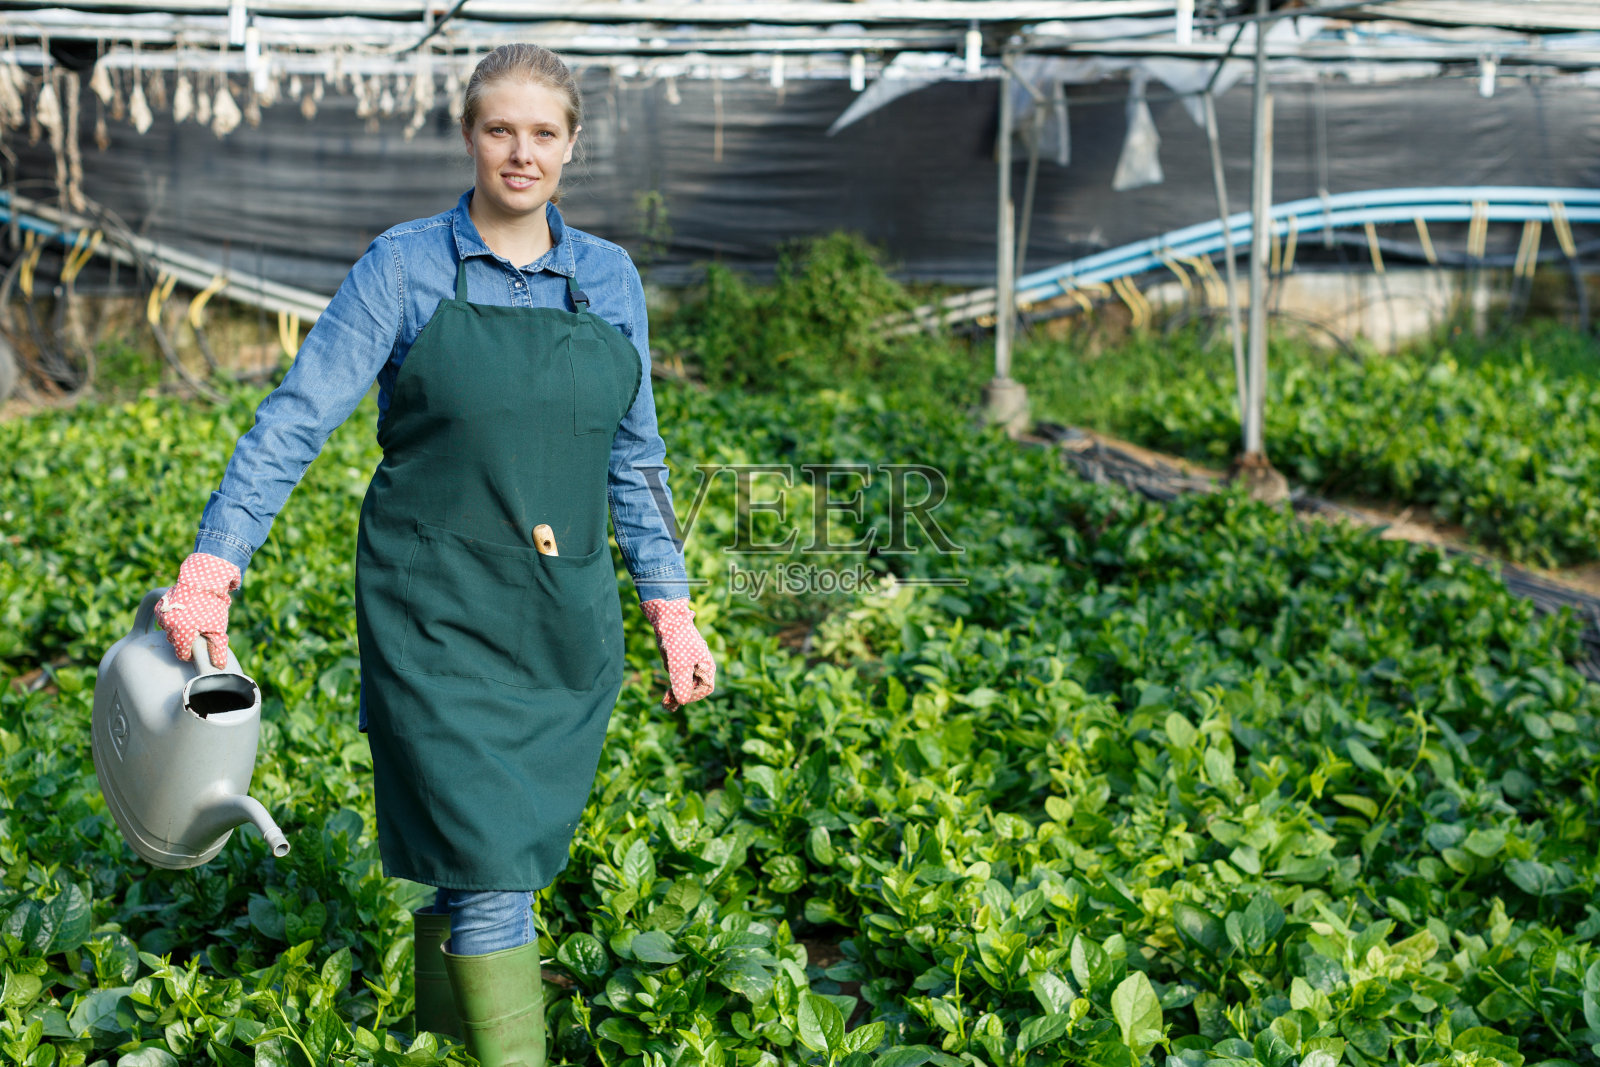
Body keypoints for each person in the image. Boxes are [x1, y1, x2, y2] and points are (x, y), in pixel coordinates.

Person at [150, 43, 716, 1067]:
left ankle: (444, 1046)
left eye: (542, 133)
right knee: (493, 865)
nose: (520, 152)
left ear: (572, 145)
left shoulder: (608, 278)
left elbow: (635, 458)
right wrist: (214, 564)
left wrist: (670, 608)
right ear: (468, 136)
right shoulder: (404, 265)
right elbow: (297, 418)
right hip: (435, 611)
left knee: (481, 860)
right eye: (500, 129)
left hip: (562, 617)